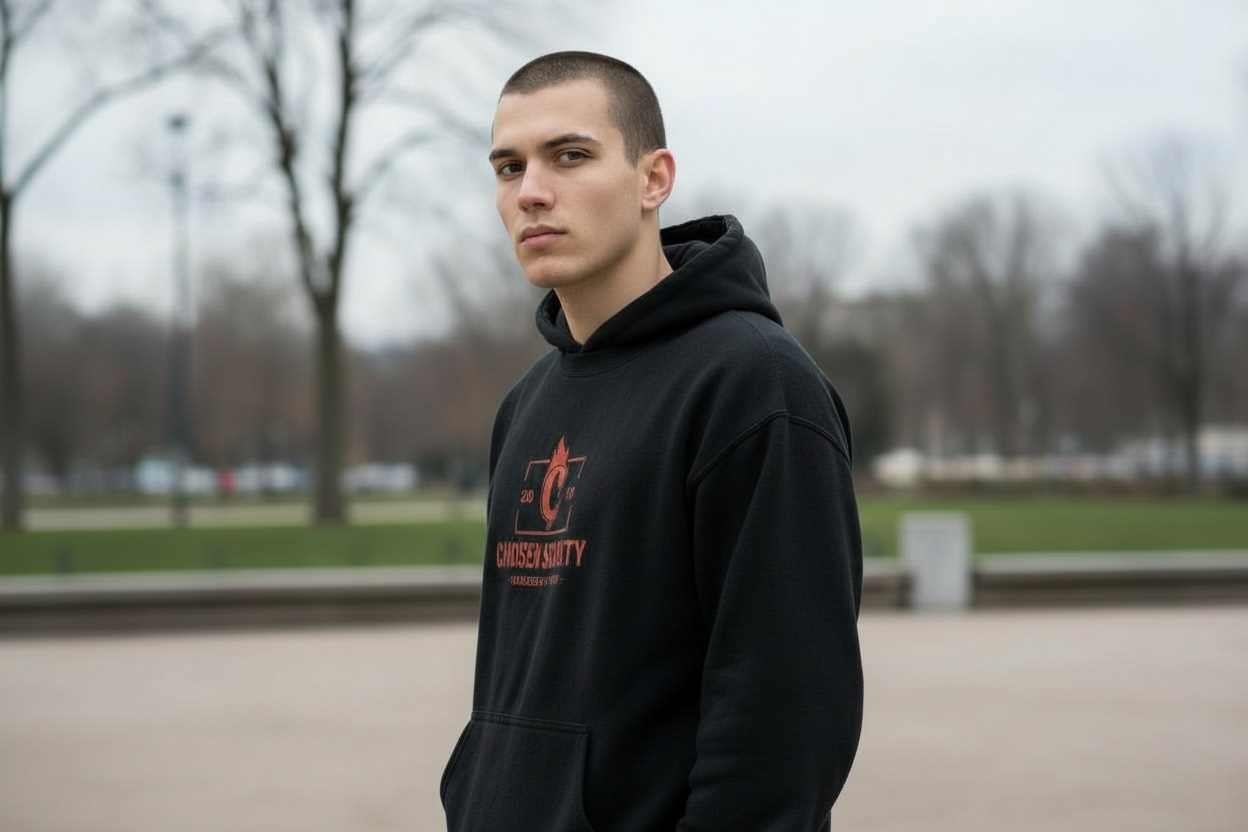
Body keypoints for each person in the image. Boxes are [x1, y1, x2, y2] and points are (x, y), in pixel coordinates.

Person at [440, 51, 863, 831]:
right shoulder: (527, 403)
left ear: (654, 179)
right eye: (508, 167)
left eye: (571, 156)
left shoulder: (754, 385)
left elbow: (786, 722)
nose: (531, 191)